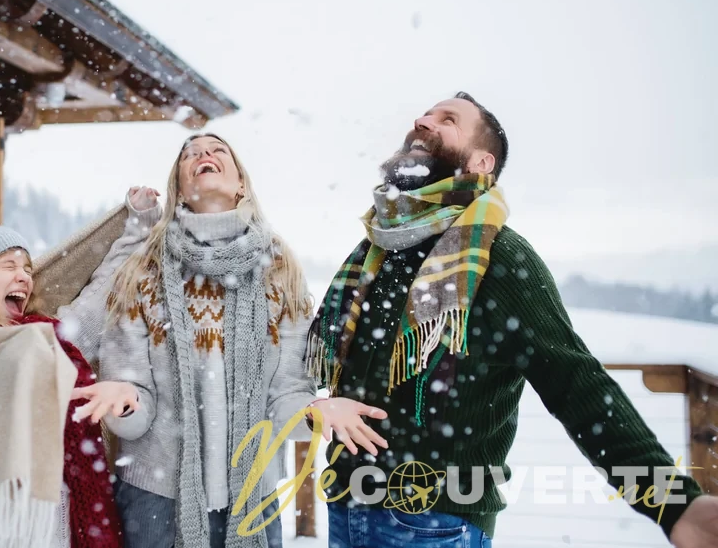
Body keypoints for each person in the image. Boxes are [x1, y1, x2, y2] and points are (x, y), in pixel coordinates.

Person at [305, 92, 718, 548]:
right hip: (346, 506)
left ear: (482, 162)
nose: (423, 120)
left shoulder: (496, 256)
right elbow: (325, 366)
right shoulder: (377, 250)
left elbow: (575, 380)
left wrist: (670, 500)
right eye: (424, 114)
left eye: (448, 120)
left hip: (434, 523)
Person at [81, 134, 370, 548]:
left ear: (240, 184)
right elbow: (136, 405)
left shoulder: (280, 269)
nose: (204, 155)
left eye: (218, 151)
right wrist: (124, 396)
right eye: (190, 154)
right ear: (179, 188)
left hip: (253, 492)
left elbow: (286, 389)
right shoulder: (141, 270)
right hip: (155, 497)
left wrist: (314, 410)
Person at [0, 186, 162, 548]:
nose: (24, 276)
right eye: (9, 265)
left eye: (28, 268)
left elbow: (100, 296)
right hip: (8, 523)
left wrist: (138, 227)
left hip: (70, 506)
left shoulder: (46, 337)